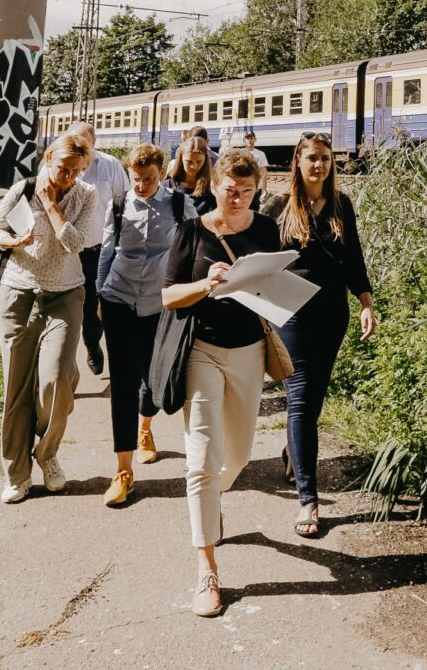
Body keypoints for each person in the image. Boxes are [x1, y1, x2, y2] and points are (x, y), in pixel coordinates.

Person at [161, 148, 280, 618]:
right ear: (214, 185)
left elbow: (272, 284)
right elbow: (169, 296)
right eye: (231, 190)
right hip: (202, 350)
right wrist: (207, 284)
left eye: (248, 192)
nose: (238, 199)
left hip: (249, 351)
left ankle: (214, 503)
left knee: (238, 456)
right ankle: (207, 570)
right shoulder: (191, 231)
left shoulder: (266, 229)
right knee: (202, 461)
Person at [261, 132, 377, 537]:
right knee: (299, 398)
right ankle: (308, 501)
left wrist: (365, 303)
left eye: (326, 159)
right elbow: (258, 260)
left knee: (312, 402)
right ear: (298, 161)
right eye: (312, 158)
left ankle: (294, 451)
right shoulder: (278, 205)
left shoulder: (342, 204)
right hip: (289, 314)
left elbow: (354, 259)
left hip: (331, 314)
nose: (319, 166)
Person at [0, 133, 98, 504]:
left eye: (74, 171)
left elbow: (76, 242)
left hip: (65, 294)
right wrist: (12, 242)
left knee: (57, 379)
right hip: (18, 293)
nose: (67, 177)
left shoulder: (85, 195)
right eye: (62, 168)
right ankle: (17, 474)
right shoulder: (23, 188)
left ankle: (46, 454)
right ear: (48, 158)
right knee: (16, 386)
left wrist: (53, 207)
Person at [98, 143, 195, 502]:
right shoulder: (119, 205)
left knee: (153, 381)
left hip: (160, 304)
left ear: (161, 174)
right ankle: (123, 470)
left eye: (149, 179)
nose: (141, 185)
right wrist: (98, 296)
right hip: (119, 298)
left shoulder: (178, 204)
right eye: (136, 179)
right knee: (122, 384)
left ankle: (146, 427)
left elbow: (191, 250)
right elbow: (108, 250)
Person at [71, 121, 129, 375]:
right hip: (65, 253)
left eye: (83, 143)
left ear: (94, 142)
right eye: (73, 142)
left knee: (92, 305)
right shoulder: (57, 165)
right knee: (66, 307)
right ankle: (63, 364)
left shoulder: (110, 166)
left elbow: (125, 204)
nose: (78, 147)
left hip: (97, 251)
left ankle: (92, 344)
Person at [167, 132, 216, 214]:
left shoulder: (212, 189)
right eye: (189, 162)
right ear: (181, 160)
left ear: (205, 161)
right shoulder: (168, 185)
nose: (194, 166)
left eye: (199, 162)